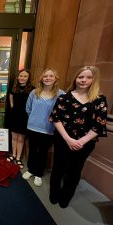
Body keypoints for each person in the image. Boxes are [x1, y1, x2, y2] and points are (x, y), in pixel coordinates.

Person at [49, 66, 107, 208]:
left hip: (85, 143)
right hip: (63, 140)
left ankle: (66, 197)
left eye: (88, 77)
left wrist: (81, 141)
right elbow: (56, 119)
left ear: (94, 79)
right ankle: (54, 193)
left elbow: (99, 124)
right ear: (76, 78)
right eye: (81, 77)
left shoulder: (99, 99)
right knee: (58, 167)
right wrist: (68, 139)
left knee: (75, 171)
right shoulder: (64, 98)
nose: (83, 80)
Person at [22, 68, 65, 186]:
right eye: (45, 76)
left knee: (43, 152)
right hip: (32, 127)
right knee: (33, 151)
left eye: (51, 76)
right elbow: (28, 108)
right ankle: (30, 169)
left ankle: (38, 174)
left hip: (49, 129)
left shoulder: (61, 94)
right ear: (42, 78)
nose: (48, 78)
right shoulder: (34, 92)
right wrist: (35, 119)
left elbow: (63, 111)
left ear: (55, 78)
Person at [7, 69, 34, 168]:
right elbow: (11, 102)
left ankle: (18, 158)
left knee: (21, 139)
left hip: (25, 116)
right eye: (21, 76)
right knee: (14, 137)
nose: (22, 78)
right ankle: (13, 155)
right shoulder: (13, 88)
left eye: (25, 76)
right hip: (14, 115)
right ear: (18, 77)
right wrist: (14, 110)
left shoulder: (32, 90)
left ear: (28, 78)